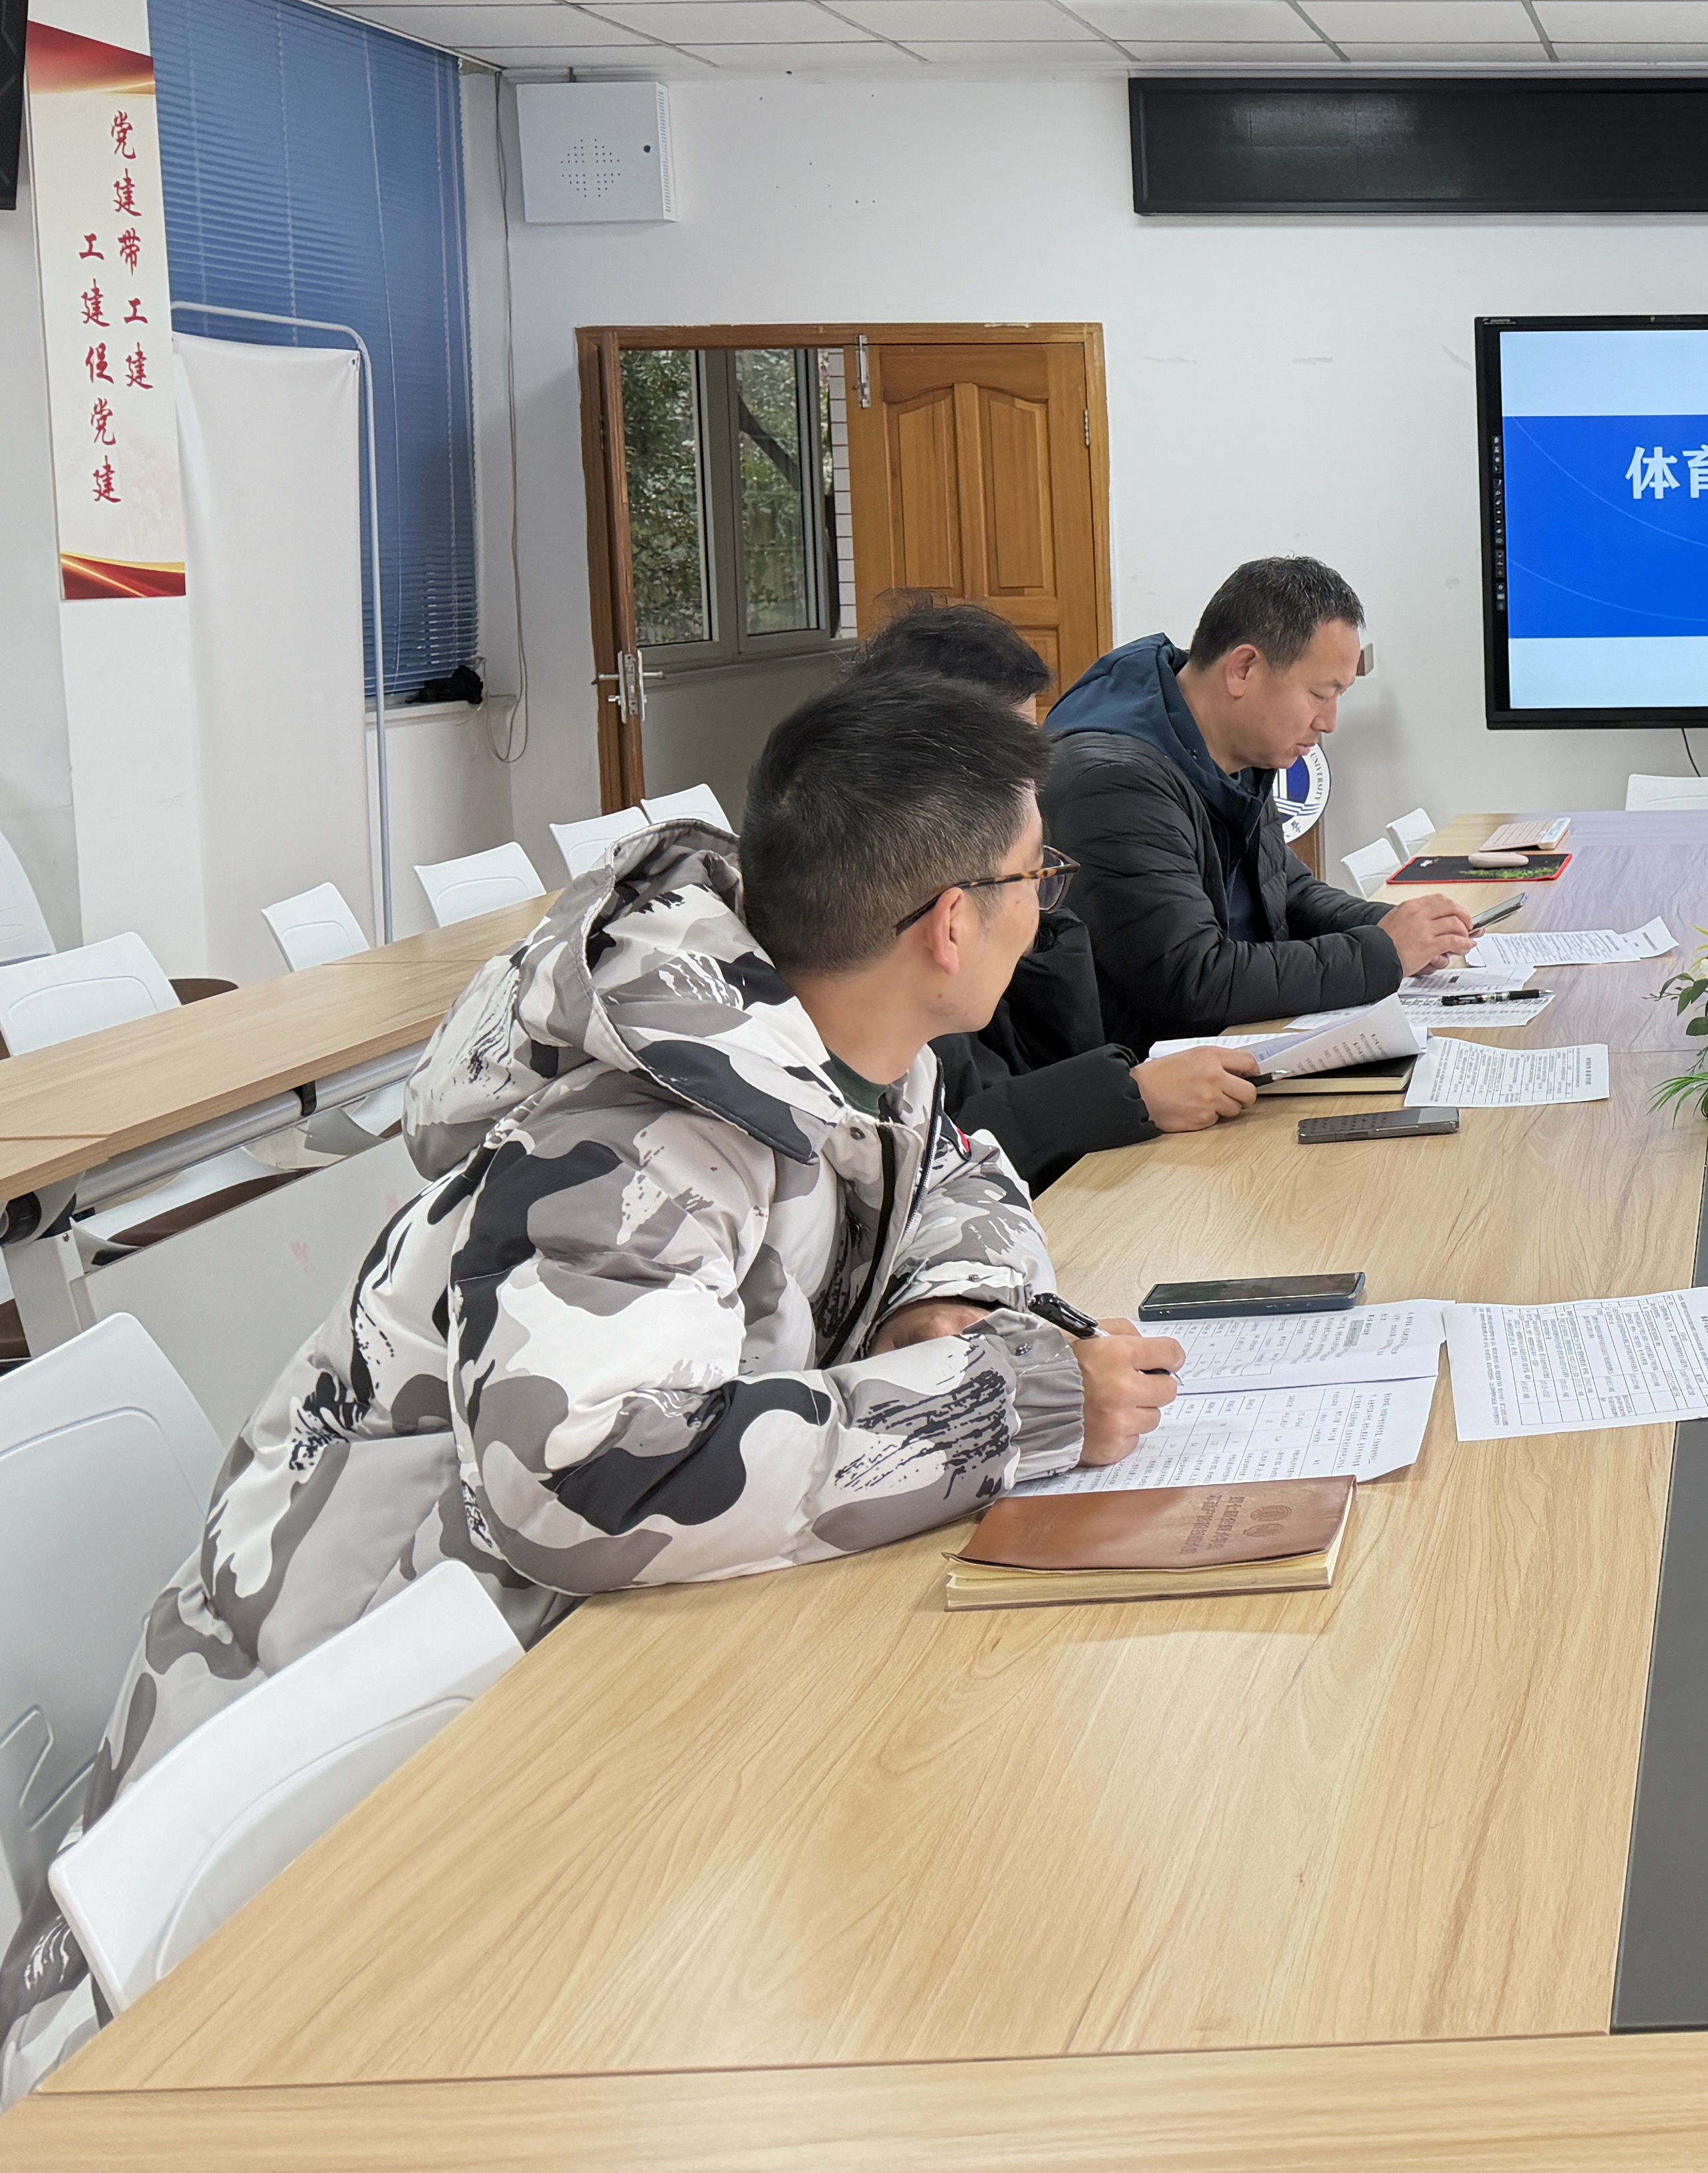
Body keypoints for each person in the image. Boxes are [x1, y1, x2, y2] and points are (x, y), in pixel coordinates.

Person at [0, 672, 1185, 2100]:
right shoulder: (644, 1142)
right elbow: (594, 1481)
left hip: (516, 1699)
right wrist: (1002, 1403)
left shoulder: (842, 1040)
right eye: (1036, 876)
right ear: (950, 923)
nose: (1046, 905)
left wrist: (946, 1309)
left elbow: (954, 1177)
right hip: (296, 1854)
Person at [847, 600, 1262, 1188]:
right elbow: (926, 1149)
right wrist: (1128, 1095)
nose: (1033, 782)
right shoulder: (881, 905)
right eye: (1011, 757)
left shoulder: (998, 876)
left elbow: (1039, 1065)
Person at [1040, 556, 1472, 1051]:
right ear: (1243, 669)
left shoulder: (1235, 747)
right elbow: (1194, 979)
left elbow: (1287, 891)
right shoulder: (1115, 783)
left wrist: (1393, 928)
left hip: (1233, 1044)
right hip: (1157, 1072)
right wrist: (1382, 953)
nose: (1329, 722)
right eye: (1320, 694)